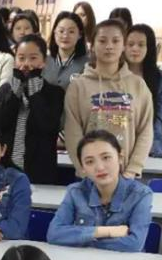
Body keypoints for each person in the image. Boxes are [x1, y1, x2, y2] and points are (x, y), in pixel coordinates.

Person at [64, 19, 153, 178]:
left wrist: (132, 170)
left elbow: (145, 130)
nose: (109, 46)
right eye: (102, 41)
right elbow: (73, 133)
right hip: (90, 176)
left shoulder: (138, 85)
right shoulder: (78, 86)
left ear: (124, 45)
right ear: (92, 45)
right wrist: (84, 170)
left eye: (116, 41)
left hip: (126, 176)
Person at [48, 130, 153, 252]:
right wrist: (105, 231)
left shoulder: (141, 194)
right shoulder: (75, 191)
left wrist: (82, 239)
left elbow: (134, 244)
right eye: (89, 162)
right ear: (82, 168)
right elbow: (54, 234)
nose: (100, 167)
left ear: (120, 157)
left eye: (106, 158)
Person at [0, 34, 65, 185]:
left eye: (33, 58)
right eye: (21, 58)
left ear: (44, 61)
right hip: (5, 170)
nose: (26, 64)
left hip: (40, 171)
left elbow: (48, 125)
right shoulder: (6, 90)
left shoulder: (55, 93)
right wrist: (15, 93)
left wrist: (34, 91)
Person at [126, 24, 162, 158]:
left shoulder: (161, 79)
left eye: (141, 45)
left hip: (150, 147)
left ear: (149, 48)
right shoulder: (114, 77)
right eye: (130, 44)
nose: (135, 49)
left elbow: (158, 120)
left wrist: (157, 150)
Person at [44, 11, 89, 92]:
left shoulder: (87, 64)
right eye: (61, 31)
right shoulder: (44, 60)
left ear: (80, 35)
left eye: (71, 32)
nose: (65, 36)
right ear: (54, 32)